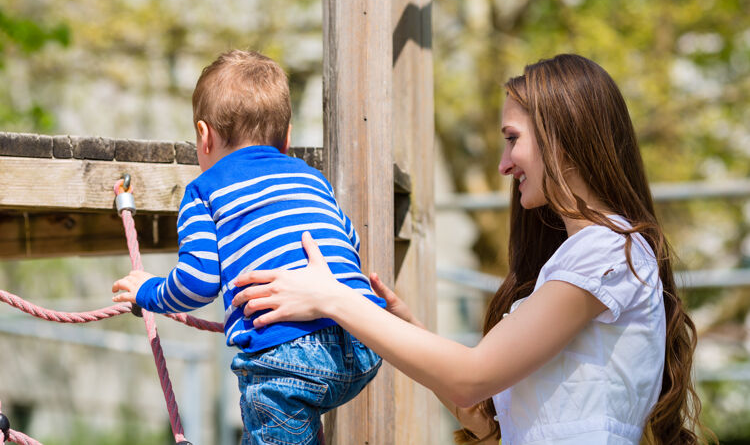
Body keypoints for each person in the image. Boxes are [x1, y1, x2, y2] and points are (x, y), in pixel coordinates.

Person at [229, 54, 712, 444]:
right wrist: (401, 326)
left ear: (561, 140)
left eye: (512, 140)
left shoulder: (607, 250)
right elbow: (487, 420)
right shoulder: (580, 257)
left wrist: (334, 299)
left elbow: (472, 376)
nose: (504, 164)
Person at [111, 49, 384, 445]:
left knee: (281, 404)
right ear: (287, 138)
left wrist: (148, 291)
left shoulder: (204, 191)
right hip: (363, 340)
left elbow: (199, 281)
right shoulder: (312, 179)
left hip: (285, 357)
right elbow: (349, 246)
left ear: (204, 136)